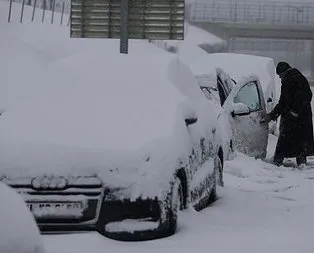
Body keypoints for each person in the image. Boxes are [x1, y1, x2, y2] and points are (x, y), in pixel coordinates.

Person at [263, 62, 314, 167]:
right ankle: (301, 163)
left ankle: (277, 162)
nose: (280, 78)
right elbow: (308, 95)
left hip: (293, 119)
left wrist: (273, 115)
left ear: (283, 72)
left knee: (284, 141)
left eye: (280, 76)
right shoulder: (299, 77)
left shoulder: (289, 80)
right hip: (304, 118)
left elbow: (283, 102)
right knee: (301, 142)